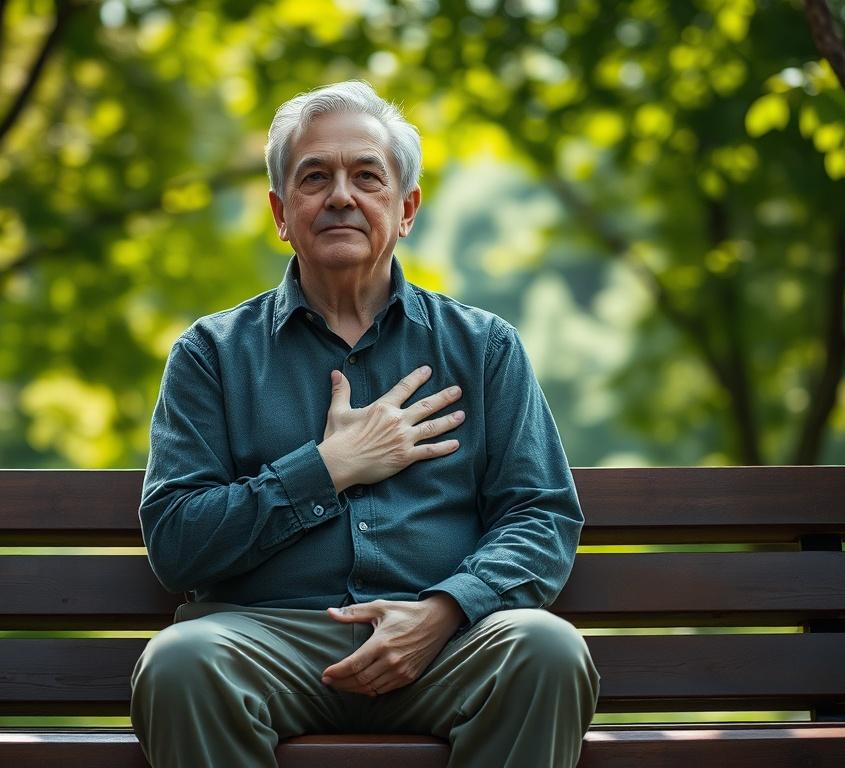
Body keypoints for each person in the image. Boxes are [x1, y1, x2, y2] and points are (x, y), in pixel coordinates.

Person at [130, 80, 600, 768]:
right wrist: (327, 468)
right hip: (269, 644)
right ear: (280, 212)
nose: (341, 196)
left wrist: (445, 610)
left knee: (547, 649)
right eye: (314, 177)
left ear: (405, 208)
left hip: (445, 645)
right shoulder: (212, 354)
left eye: (366, 177)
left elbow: (541, 515)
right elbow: (175, 541)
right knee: (181, 661)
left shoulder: (483, 347)